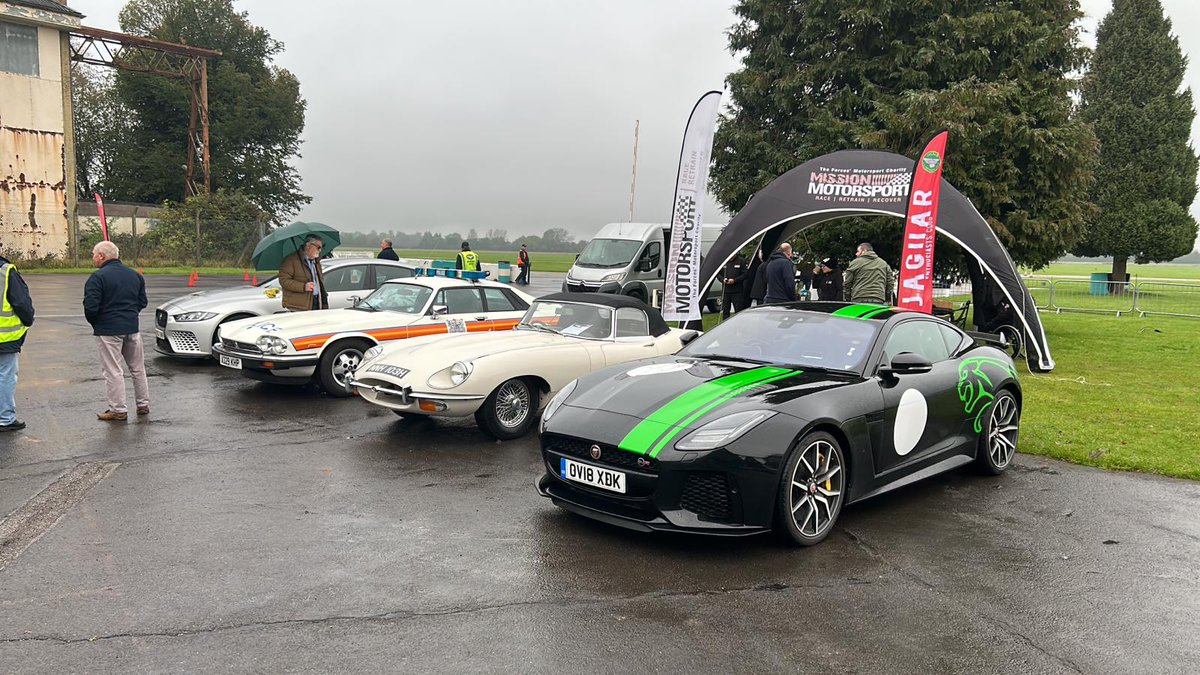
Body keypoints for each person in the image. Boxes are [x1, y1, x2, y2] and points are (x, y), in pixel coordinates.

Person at [84, 241, 149, 422]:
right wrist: (129, 314)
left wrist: (97, 322)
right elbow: (142, 302)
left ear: (102, 256)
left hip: (108, 330)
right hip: (132, 328)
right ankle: (143, 405)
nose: (93, 257)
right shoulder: (135, 276)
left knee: (113, 370)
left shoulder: (97, 278)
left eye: (94, 254)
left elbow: (90, 307)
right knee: (137, 368)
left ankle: (118, 410)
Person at [0, 250, 34, 432]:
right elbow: (21, 303)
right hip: (4, 338)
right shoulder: (6, 271)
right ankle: (5, 418)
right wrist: (28, 320)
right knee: (5, 376)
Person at [279, 236, 329, 311]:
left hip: (316, 301)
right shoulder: (290, 260)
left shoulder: (316, 262)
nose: (320, 250)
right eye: (318, 247)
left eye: (321, 247)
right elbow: (284, 280)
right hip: (299, 305)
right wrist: (303, 286)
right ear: (308, 246)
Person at [721, 251, 747, 318]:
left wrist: (735, 280)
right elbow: (718, 274)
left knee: (738, 310)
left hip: (737, 291)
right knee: (725, 310)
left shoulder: (741, 261)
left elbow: (745, 274)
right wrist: (723, 280)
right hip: (726, 291)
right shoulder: (724, 261)